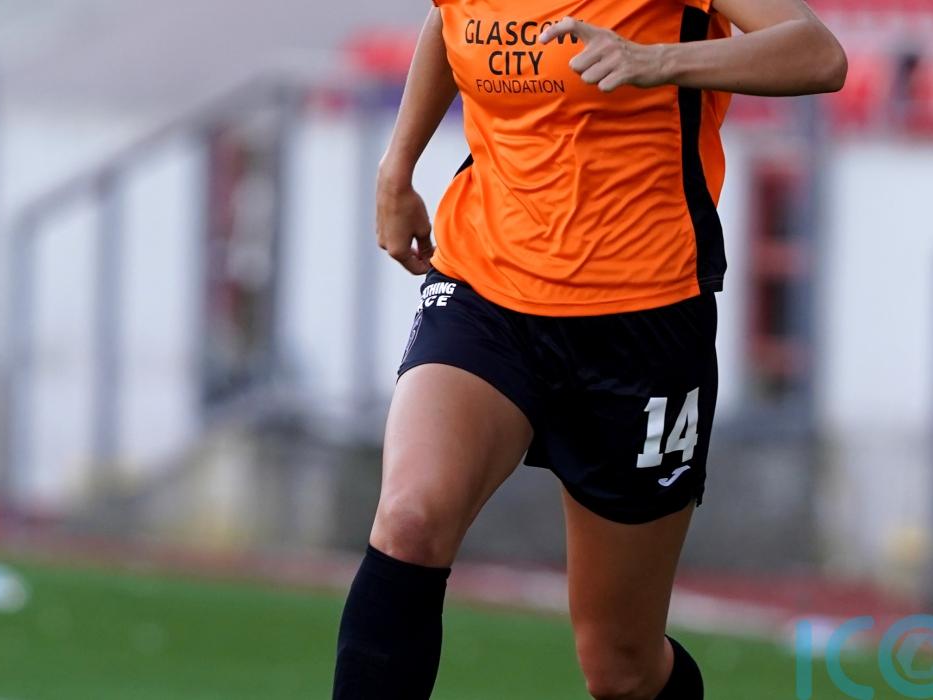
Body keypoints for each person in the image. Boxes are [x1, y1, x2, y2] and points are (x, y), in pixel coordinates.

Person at [333, 2, 846, 698]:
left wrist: (654, 60)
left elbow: (818, 54)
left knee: (621, 667)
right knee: (409, 520)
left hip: (643, 317)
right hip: (485, 286)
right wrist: (398, 166)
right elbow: (447, 19)